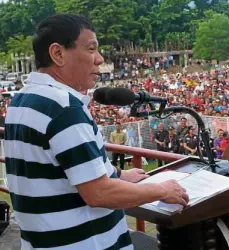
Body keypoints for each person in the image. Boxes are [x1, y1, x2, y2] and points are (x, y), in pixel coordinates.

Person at [4, 14, 189, 250]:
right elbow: (99, 193)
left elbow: (62, 166)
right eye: (91, 49)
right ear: (58, 54)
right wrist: (161, 190)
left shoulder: (23, 98)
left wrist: (118, 175)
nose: (99, 59)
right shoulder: (63, 108)